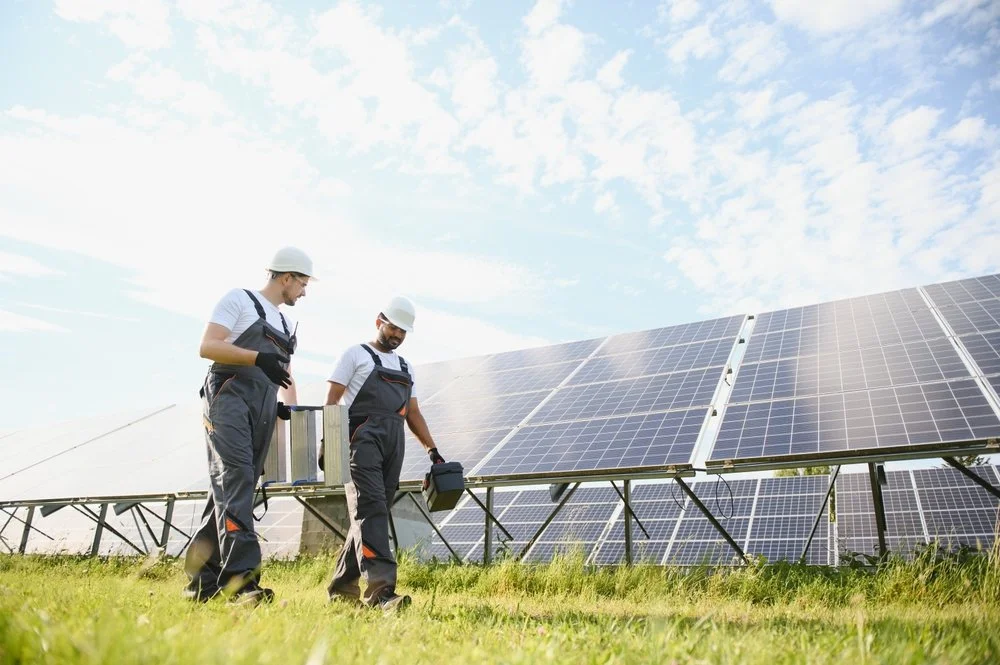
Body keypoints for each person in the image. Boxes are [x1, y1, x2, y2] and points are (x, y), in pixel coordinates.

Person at [183, 246, 315, 606]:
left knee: (232, 488)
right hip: (227, 397)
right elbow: (208, 346)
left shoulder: (286, 323)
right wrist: (257, 357)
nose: (304, 292)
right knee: (237, 479)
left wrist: (290, 408)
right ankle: (242, 584)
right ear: (286, 277)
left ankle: (199, 582)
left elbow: (285, 371)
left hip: (261, 407)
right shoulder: (238, 300)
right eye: (302, 283)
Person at [324, 296, 446, 612]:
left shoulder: (406, 367)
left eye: (403, 332)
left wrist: (432, 450)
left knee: (372, 512)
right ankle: (381, 593)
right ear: (379, 320)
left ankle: (341, 587)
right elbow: (333, 400)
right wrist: (328, 443)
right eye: (393, 327)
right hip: (359, 439)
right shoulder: (355, 355)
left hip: (394, 443)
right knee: (371, 507)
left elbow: (414, 413)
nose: (397, 336)